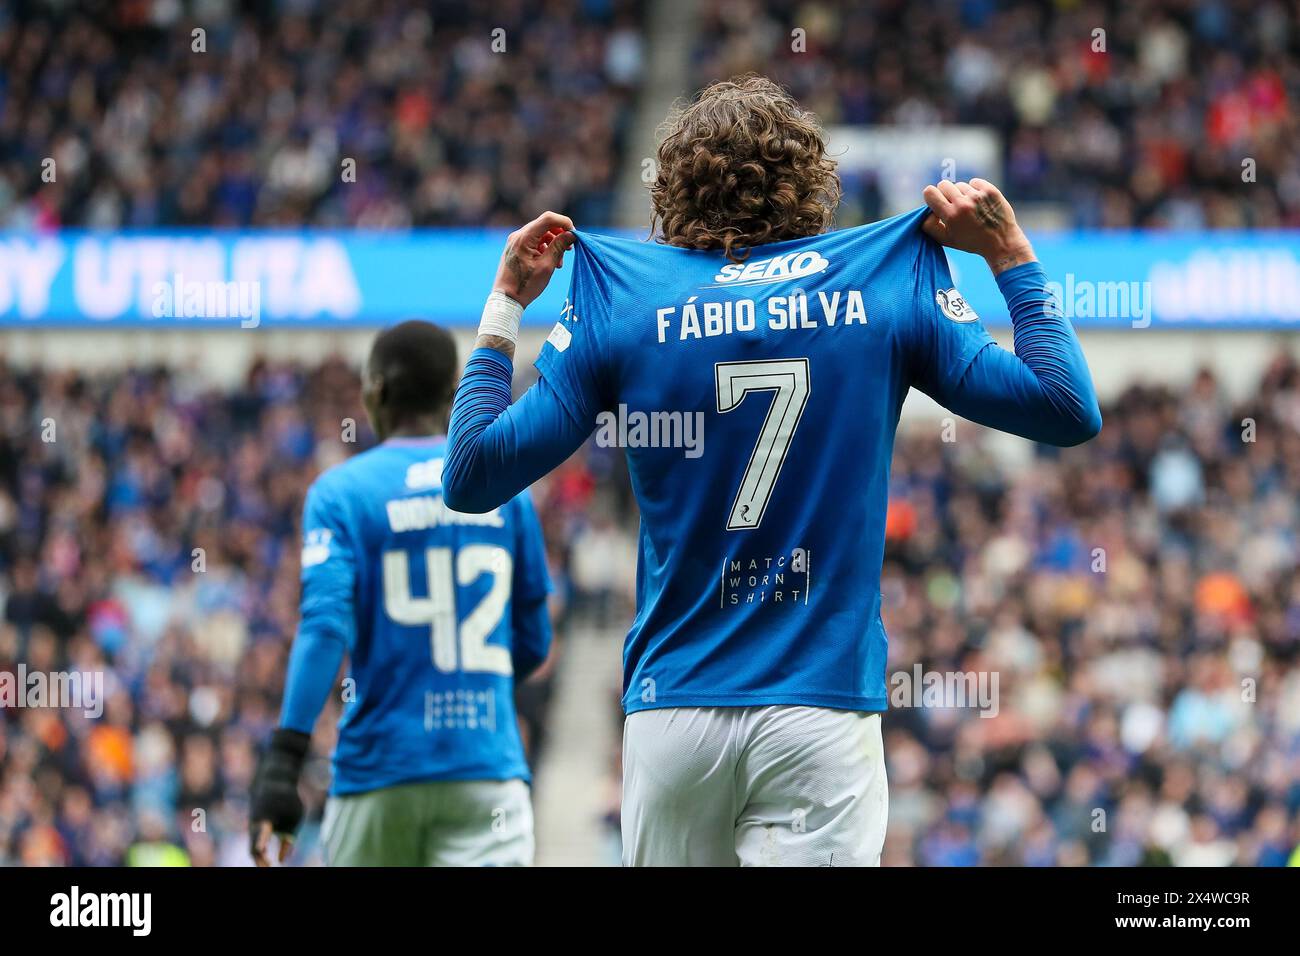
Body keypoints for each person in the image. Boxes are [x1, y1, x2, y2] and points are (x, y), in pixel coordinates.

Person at [442, 75, 1101, 866]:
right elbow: (1067, 408)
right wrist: (1011, 256)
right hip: (819, 713)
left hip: (675, 713)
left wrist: (506, 304)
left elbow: (471, 474)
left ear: (675, 188)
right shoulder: (883, 279)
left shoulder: (624, 298)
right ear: (809, 179)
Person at [250, 320, 552, 866]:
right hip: (484, 770)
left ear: (377, 390)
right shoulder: (509, 491)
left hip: (379, 775)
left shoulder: (341, 492)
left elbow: (323, 627)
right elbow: (532, 641)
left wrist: (283, 763)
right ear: (452, 392)